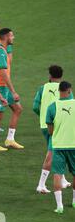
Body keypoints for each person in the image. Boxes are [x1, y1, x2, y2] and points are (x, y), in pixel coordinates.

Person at [33, 65, 72, 193]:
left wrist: (43, 116)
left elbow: (35, 106)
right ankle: (41, 184)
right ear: (61, 76)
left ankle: (63, 180)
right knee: (51, 153)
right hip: (57, 127)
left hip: (45, 126)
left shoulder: (42, 88)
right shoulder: (64, 90)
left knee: (57, 150)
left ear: (50, 76)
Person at [0, 28, 24, 150]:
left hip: (3, 87)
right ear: (6, 37)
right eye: (12, 35)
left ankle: (10, 139)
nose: (13, 37)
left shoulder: (2, 49)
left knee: (17, 109)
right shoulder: (0, 52)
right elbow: (3, 73)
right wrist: (13, 91)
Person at [45, 81, 75, 214]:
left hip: (58, 146)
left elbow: (50, 131)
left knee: (57, 174)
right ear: (69, 90)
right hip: (74, 145)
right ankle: (74, 201)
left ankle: (59, 206)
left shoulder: (52, 107)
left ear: (59, 91)